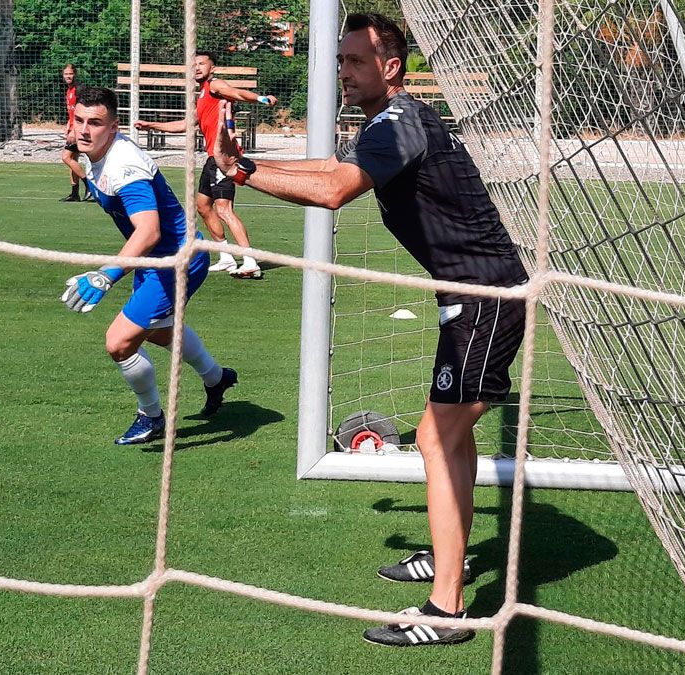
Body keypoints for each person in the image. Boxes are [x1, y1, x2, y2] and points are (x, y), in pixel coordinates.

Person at [212, 13, 528, 646]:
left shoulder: (401, 123)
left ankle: (447, 611)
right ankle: (450, 562)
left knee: (436, 440)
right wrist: (246, 161)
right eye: (342, 60)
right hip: (467, 301)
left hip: (486, 300)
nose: (344, 73)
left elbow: (334, 190)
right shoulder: (390, 124)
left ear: (391, 67)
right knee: (447, 441)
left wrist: (242, 176)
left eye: (355, 61)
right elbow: (330, 164)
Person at [61, 85, 238, 445]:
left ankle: (151, 416)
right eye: (79, 120)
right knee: (157, 331)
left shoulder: (124, 167)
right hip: (157, 260)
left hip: (176, 261)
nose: (83, 129)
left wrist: (105, 275)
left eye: (95, 123)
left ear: (114, 128)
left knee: (120, 343)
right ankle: (217, 377)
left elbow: (150, 230)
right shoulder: (90, 150)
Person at [135, 51, 277, 279]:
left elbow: (236, 93)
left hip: (225, 159)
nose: (197, 67)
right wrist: (152, 125)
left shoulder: (215, 85)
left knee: (224, 209)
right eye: (193, 65)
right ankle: (226, 256)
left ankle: (250, 261)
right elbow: (187, 124)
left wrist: (260, 99)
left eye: (201, 64)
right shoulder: (201, 96)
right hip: (212, 159)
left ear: (212, 68)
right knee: (202, 206)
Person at [60, 64, 92, 202]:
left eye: (70, 74)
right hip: (74, 128)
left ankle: (89, 186)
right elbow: (72, 112)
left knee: (66, 157)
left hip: (79, 130)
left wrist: (74, 129)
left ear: (75, 74)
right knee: (73, 158)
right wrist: (68, 125)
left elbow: (82, 110)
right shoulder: (69, 90)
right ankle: (74, 193)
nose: (68, 76)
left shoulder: (79, 89)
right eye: (66, 74)